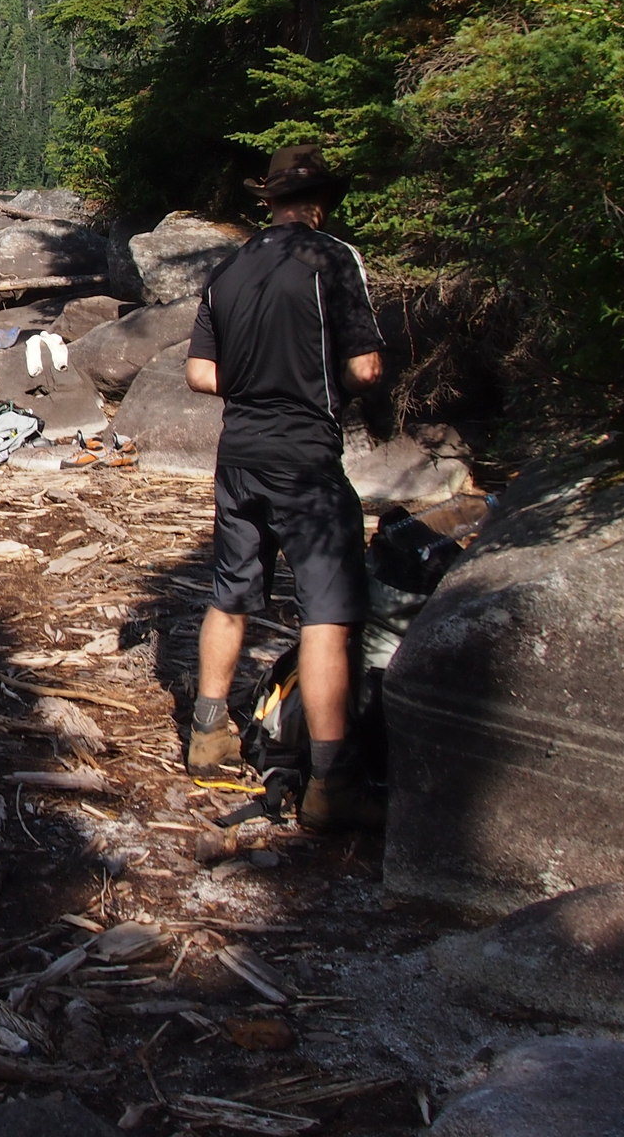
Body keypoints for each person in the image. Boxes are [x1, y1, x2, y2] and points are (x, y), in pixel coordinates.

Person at [182, 145, 385, 831]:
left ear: (265, 202)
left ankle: (208, 732)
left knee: (230, 594)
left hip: (238, 452)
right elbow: (364, 368)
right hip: (306, 457)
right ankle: (331, 782)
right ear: (322, 201)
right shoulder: (334, 258)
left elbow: (201, 376)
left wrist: (257, 385)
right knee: (327, 613)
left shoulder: (227, 270)